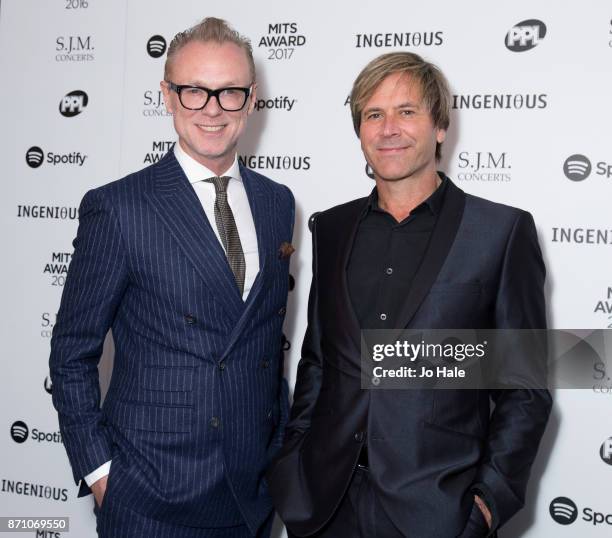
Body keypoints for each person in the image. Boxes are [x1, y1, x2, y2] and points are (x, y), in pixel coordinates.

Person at [267, 52, 551, 538]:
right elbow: (318, 360)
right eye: (373, 115)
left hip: (436, 511)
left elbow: (524, 387)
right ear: (359, 132)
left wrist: (485, 504)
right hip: (324, 506)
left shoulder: (500, 232)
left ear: (440, 126)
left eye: (406, 111)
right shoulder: (332, 228)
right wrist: (294, 464)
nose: (388, 128)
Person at [49, 17, 294, 538]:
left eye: (228, 92)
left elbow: (263, 343)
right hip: (149, 499)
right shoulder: (119, 208)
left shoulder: (277, 202)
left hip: (251, 495)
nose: (211, 109)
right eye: (193, 91)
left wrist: (279, 457)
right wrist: (100, 474)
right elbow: (71, 353)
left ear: (251, 100)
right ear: (166, 95)